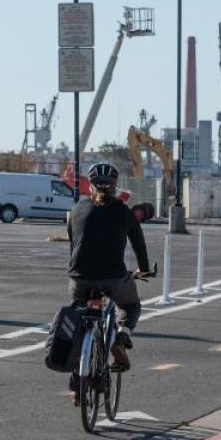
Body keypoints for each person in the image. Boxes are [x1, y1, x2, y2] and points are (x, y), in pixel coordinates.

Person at [67, 162, 151, 391]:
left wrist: (75, 270)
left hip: (79, 278)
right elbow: (139, 245)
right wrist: (143, 270)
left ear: (90, 185)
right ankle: (121, 336)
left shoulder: (76, 209)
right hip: (113, 278)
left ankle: (77, 384)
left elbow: (73, 243)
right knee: (131, 305)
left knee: (78, 319)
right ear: (115, 186)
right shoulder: (124, 212)